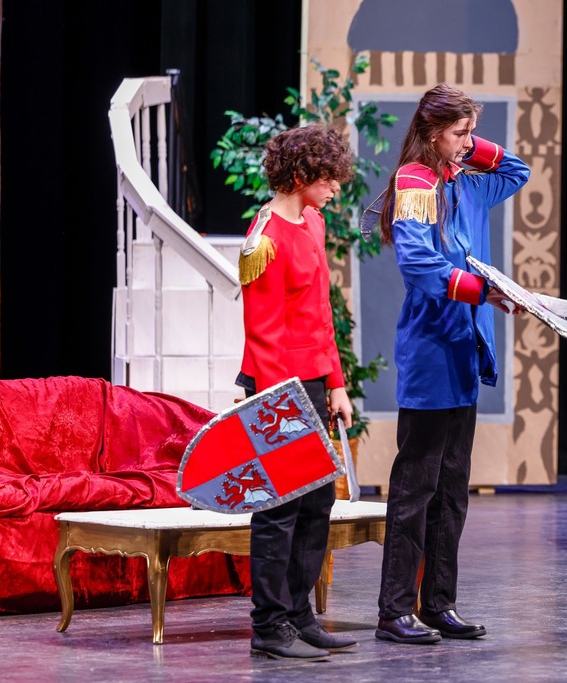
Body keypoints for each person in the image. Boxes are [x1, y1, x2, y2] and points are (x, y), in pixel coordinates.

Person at [373, 83, 530, 644]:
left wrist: (468, 145)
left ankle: (439, 603)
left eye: (470, 132)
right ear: (431, 132)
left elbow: (517, 172)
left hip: (465, 350)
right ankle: (394, 610)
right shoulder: (416, 184)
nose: (469, 143)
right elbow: (418, 267)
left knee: (454, 489)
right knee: (416, 488)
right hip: (432, 351)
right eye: (459, 132)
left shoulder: (464, 183)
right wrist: (481, 291)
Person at [236, 123, 357, 661]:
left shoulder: (312, 220)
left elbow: (320, 315)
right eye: (329, 180)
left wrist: (336, 384)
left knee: (318, 500)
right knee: (279, 508)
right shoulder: (263, 240)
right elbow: (262, 333)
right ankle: (269, 625)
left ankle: (299, 613)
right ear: (303, 175)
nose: (335, 190)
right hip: (279, 385)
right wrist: (278, 406)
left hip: (312, 380)